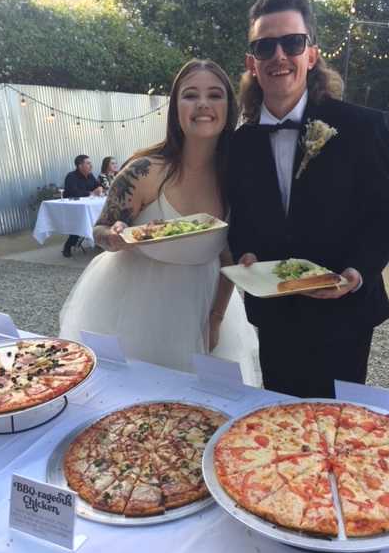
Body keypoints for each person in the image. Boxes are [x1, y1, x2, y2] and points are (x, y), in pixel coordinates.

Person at [227, 0, 389, 399]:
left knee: (335, 430)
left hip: (343, 312)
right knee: (280, 420)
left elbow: (387, 220)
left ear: (311, 55)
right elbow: (243, 223)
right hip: (274, 315)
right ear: (252, 63)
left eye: (292, 42)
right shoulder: (239, 143)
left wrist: (357, 274)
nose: (279, 55)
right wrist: (246, 255)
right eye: (265, 45)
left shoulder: (363, 127)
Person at [59, 59, 259, 383]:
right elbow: (100, 228)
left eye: (215, 95)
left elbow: (228, 256)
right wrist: (112, 237)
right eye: (190, 95)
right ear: (175, 107)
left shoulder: (236, 177)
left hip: (205, 304)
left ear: (229, 106)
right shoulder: (145, 171)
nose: (203, 104)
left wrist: (217, 318)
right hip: (136, 304)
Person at [62, 155, 103, 257]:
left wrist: (99, 188)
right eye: (88, 163)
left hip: (88, 206)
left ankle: (102, 242)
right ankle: (68, 246)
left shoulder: (90, 175)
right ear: (80, 166)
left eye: (90, 163)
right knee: (80, 223)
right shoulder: (71, 176)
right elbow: (74, 192)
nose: (91, 165)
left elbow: (97, 185)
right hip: (74, 208)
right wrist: (91, 193)